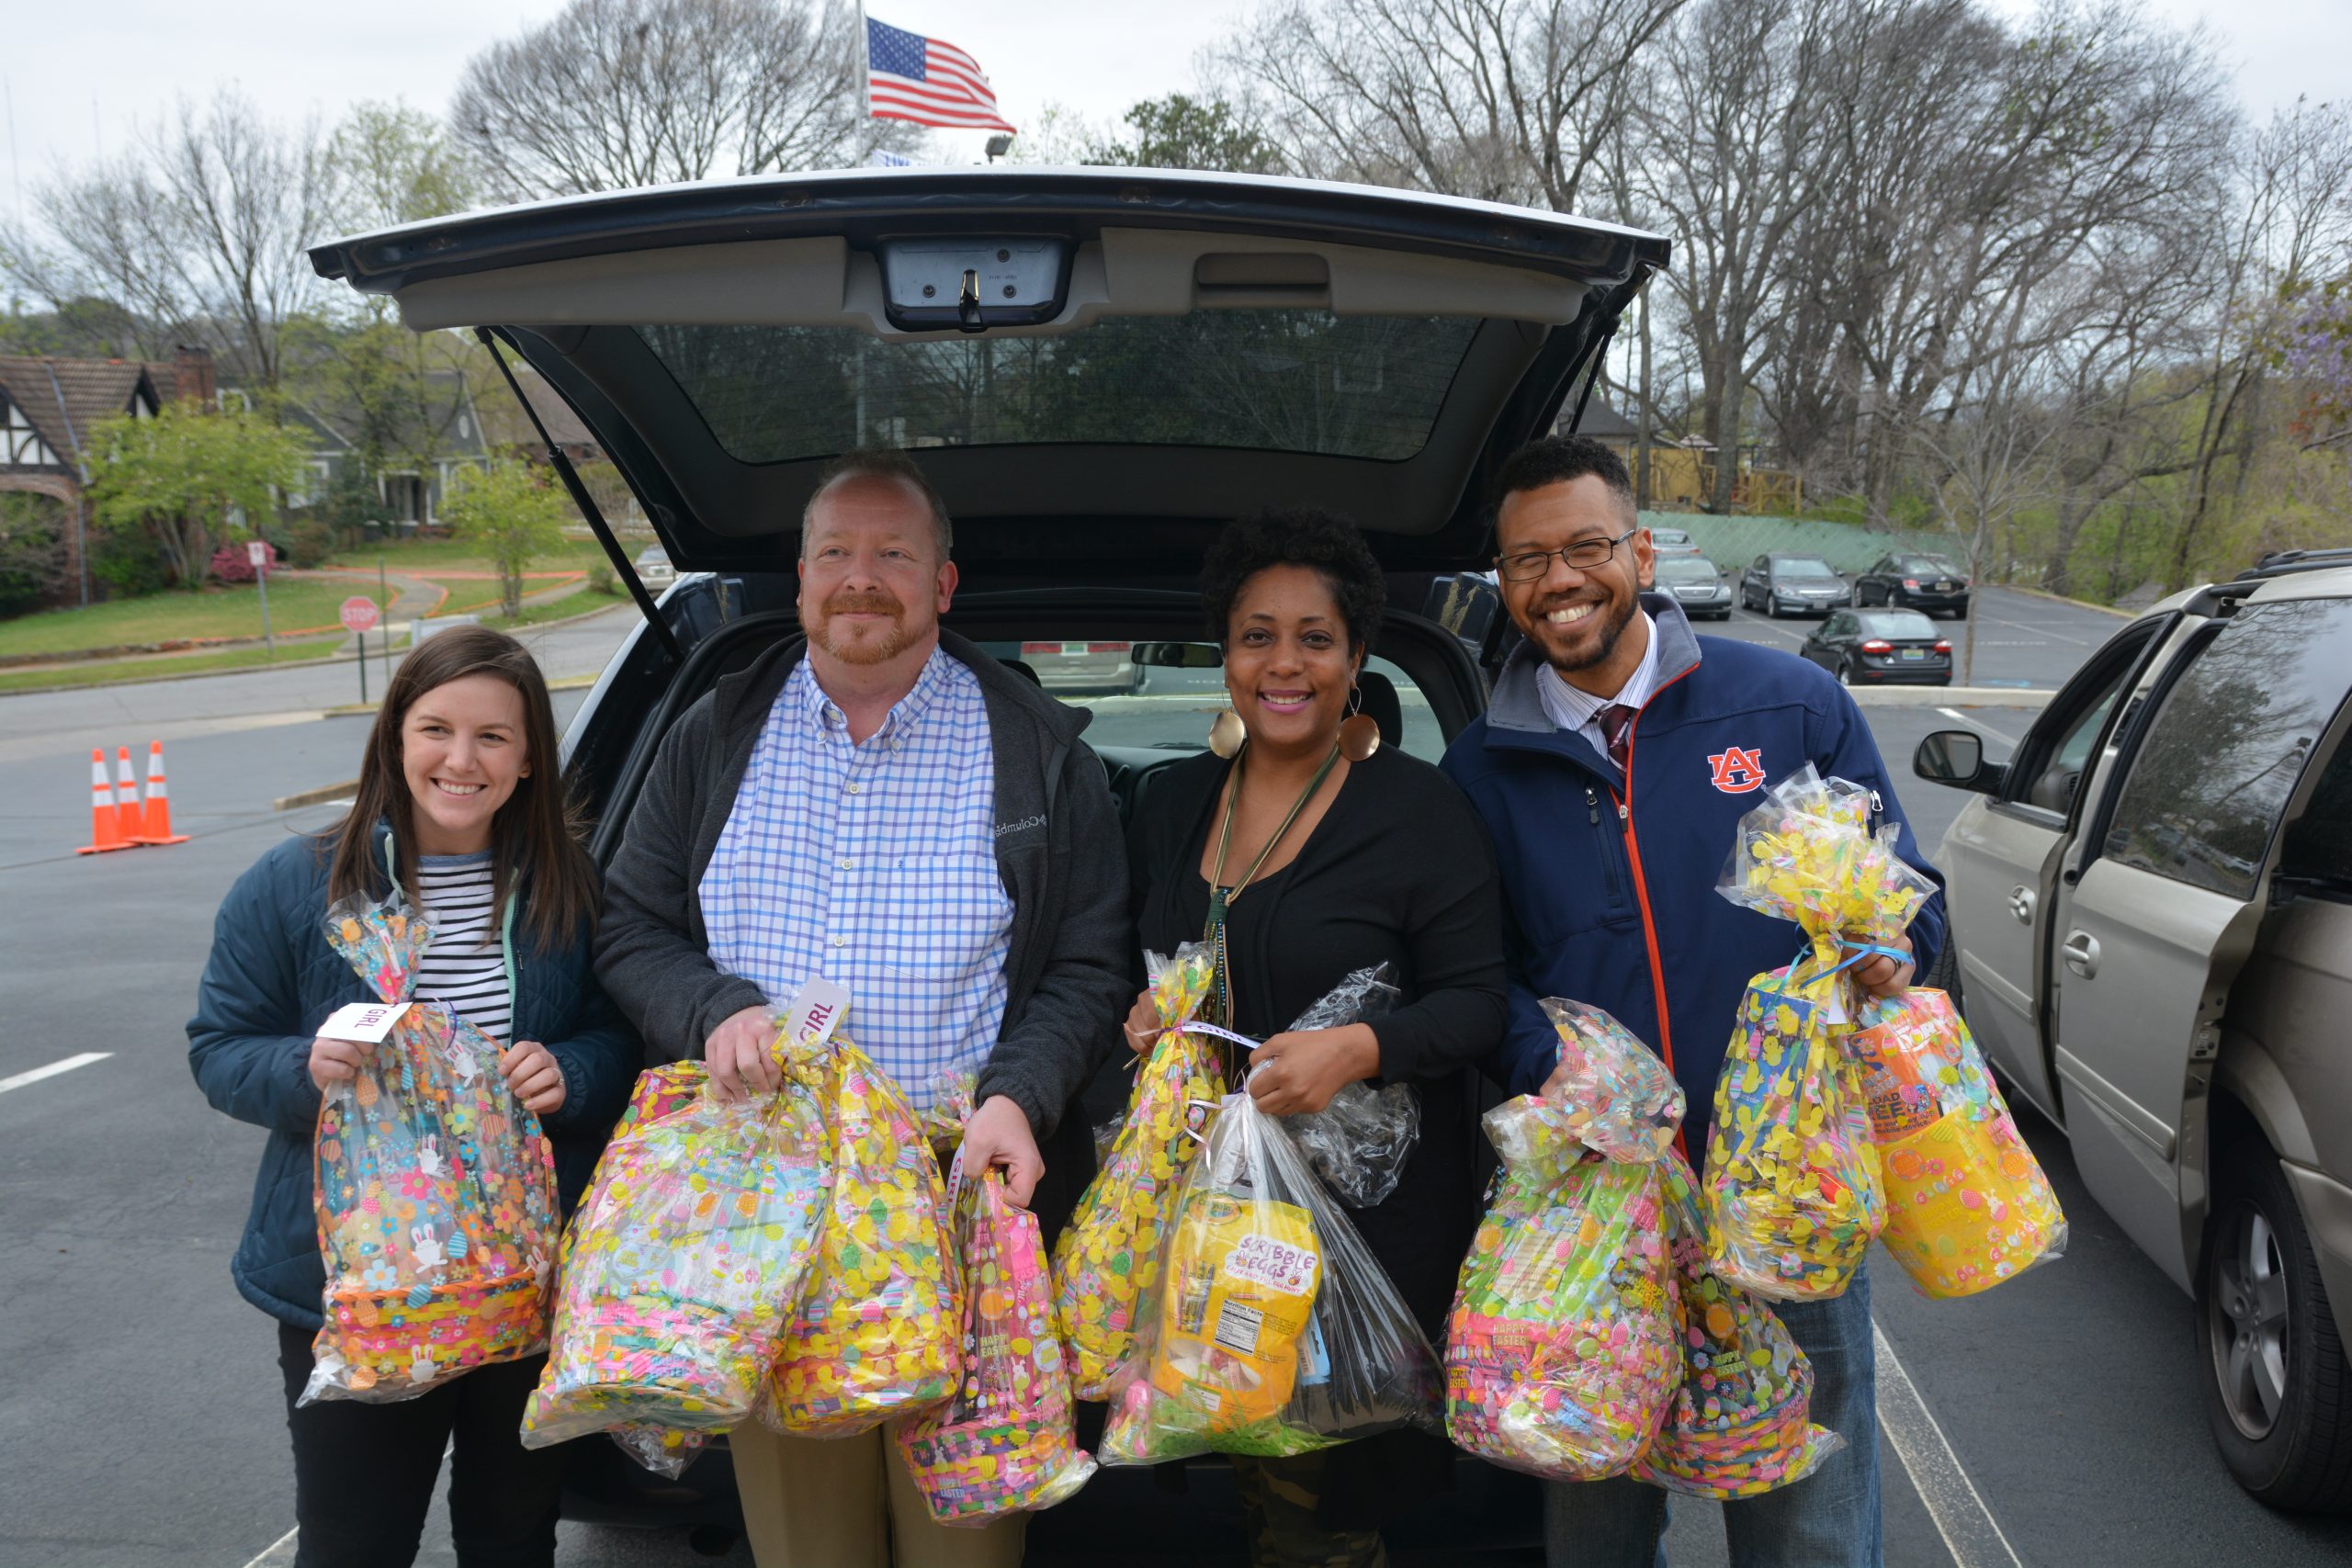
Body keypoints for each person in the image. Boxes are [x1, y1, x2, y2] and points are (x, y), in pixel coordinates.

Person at [593, 448, 1130, 1568]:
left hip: (960, 1202)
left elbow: (1089, 968)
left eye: (894, 553)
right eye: (835, 551)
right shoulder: (714, 734)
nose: (861, 577)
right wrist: (714, 1009)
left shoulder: (1036, 752)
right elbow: (629, 925)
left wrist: (1019, 1097)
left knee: (962, 1548)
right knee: (809, 1549)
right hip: (762, 1213)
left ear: (943, 582)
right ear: (800, 579)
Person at [1439, 435, 1948, 1568]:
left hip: (1786, 1189)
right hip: (1593, 1208)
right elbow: (1474, 976)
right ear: (1502, 581)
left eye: (1585, 547)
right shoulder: (1479, 769)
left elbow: (1909, 900)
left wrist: (1892, 950)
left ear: (1641, 551)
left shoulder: (1789, 705)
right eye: (1527, 560)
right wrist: (1557, 1068)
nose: (1560, 580)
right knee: (1597, 1515)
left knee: (1809, 1522)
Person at [187, 624, 640, 1568]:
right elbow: (220, 1047)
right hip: (357, 1283)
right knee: (357, 1541)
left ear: (528, 759)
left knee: (514, 1533)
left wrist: (573, 1071)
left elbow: (618, 1033)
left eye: (493, 737)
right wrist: (304, 1070)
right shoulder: (296, 885)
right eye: (436, 729)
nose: (461, 760)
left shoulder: (566, 885)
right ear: (396, 736)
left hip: (526, 1275)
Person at [1124, 509, 1509, 1568]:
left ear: (1355, 658)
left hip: (1354, 1225)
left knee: (1318, 1515)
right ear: (1226, 655)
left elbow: (1479, 1001)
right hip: (1202, 1214)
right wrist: (1144, 1013)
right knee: (1241, 1468)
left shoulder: (1416, 812)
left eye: (1314, 638)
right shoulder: (1175, 802)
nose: (1283, 664)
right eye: (1257, 636)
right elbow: (1136, 960)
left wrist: (1357, 1050)